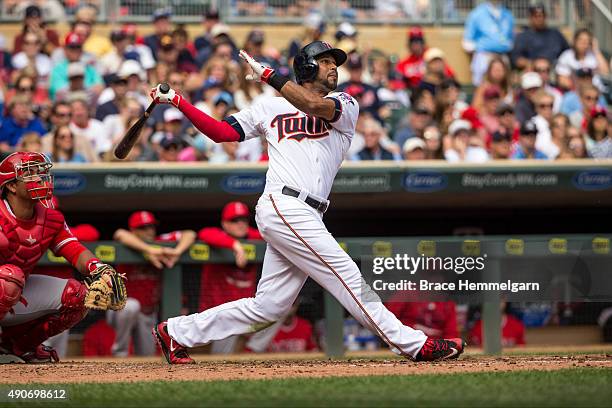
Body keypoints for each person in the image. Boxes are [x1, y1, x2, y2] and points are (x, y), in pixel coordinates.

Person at [150, 40, 465, 364]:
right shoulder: (268, 107)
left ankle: (177, 332)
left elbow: (314, 107)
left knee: (268, 307)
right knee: (347, 275)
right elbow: (220, 132)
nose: (333, 68)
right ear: (307, 67)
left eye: (335, 63)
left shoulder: (345, 103)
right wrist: (177, 100)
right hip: (284, 204)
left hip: (308, 213)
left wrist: (270, 75)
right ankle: (414, 344)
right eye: (325, 61)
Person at [0, 152, 125, 363]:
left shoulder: (50, 217)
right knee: (10, 278)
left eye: (40, 172)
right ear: (12, 186)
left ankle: (17, 347)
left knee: (78, 296)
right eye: (30, 174)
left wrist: (99, 268)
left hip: (15, 286)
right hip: (8, 282)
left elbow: (73, 248)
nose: (39, 178)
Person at [111, 211, 195, 356]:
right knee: (131, 306)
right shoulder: (128, 243)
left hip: (148, 312)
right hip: (120, 309)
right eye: (143, 228)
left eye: (151, 226)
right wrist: (148, 250)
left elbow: (190, 234)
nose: (149, 231)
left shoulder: (160, 242)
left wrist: (177, 251)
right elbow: (119, 234)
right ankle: (120, 352)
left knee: (147, 356)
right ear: (133, 231)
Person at [198, 201, 263, 353]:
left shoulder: (254, 237)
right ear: (224, 224)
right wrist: (235, 245)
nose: (240, 224)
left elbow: (273, 236)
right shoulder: (216, 236)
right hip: (216, 314)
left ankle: (250, 351)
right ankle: (221, 370)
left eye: (244, 219)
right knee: (221, 356)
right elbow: (204, 233)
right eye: (234, 220)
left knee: (277, 309)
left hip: (247, 312)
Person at [462, 0, 514, 85]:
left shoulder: (508, 15)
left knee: (504, 87)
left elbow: (510, 41)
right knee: (483, 88)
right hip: (483, 57)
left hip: (503, 57)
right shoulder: (476, 14)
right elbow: (467, 43)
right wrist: (485, 49)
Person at [510, 4, 569, 70]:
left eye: (542, 16)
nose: (539, 19)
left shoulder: (556, 34)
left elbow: (568, 53)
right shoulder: (523, 36)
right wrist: (533, 63)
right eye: (536, 16)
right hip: (532, 71)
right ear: (530, 18)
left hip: (555, 70)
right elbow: (516, 59)